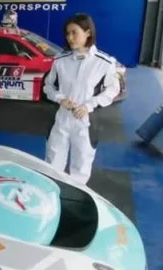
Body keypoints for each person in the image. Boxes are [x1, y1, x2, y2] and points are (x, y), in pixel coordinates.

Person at [42, 14, 121, 185]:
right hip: (61, 119)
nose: (69, 37)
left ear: (88, 33)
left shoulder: (104, 63)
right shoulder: (60, 61)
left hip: (85, 121)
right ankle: (50, 192)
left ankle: (75, 195)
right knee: (52, 163)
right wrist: (60, 99)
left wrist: (89, 105)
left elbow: (113, 89)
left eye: (74, 33)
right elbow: (48, 86)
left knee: (81, 166)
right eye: (67, 33)